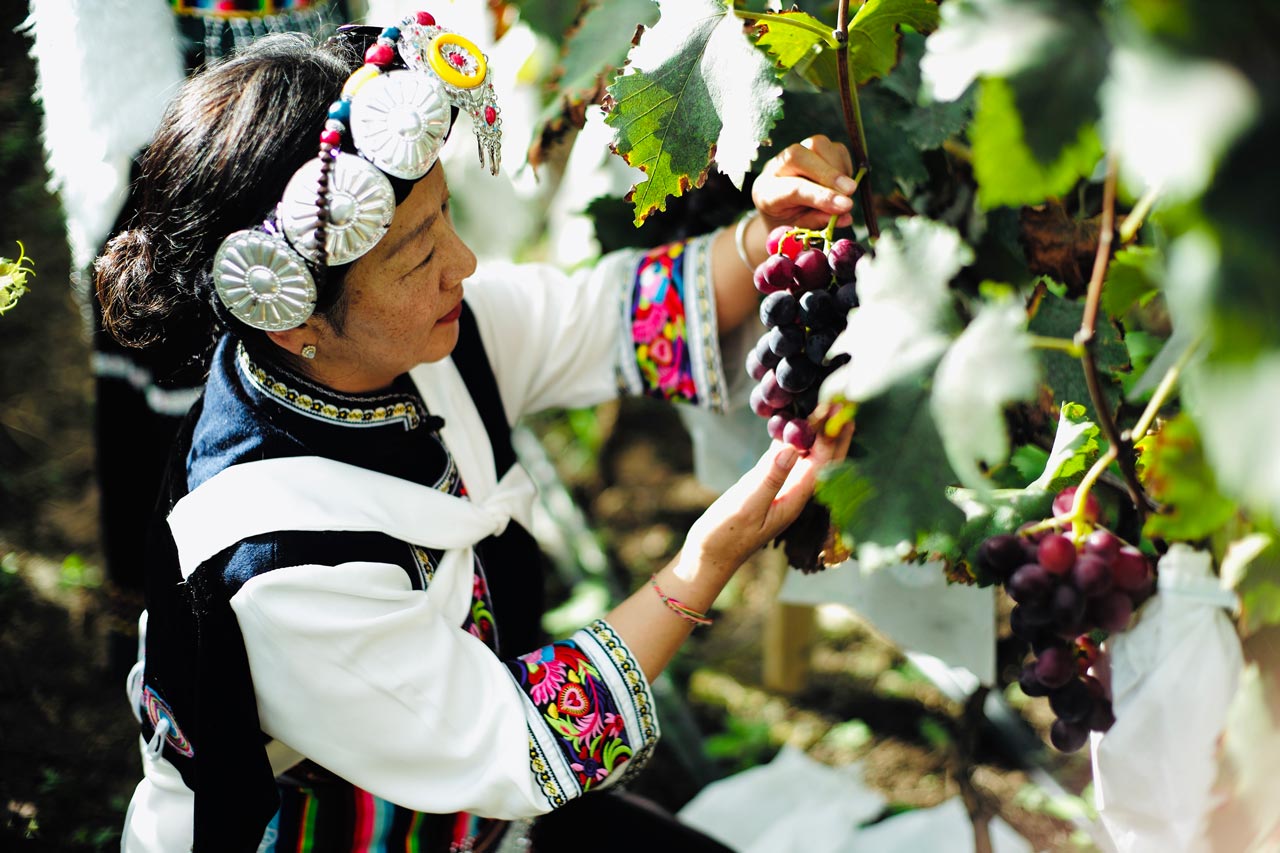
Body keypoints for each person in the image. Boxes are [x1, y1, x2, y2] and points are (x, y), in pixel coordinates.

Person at [95, 12, 857, 852]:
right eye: (418, 257)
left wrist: (766, 232)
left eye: (446, 217)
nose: (462, 263)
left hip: (479, 814)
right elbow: (520, 743)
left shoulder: (414, 348)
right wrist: (704, 560)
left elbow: (613, 319)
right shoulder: (278, 562)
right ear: (293, 317)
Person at [26, 0, 350, 677]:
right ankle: (189, 637)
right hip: (185, 124)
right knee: (185, 386)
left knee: (336, 342)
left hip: (324, 98)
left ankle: (337, 598)